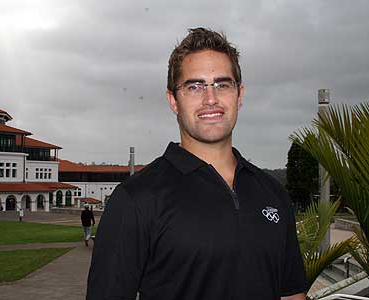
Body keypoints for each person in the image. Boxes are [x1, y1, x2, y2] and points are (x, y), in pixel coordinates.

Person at [87, 28, 308, 300]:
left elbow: (292, 294)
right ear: (173, 101)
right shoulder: (136, 199)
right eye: (195, 86)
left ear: (239, 94)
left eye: (222, 84)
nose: (210, 99)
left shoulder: (273, 193)